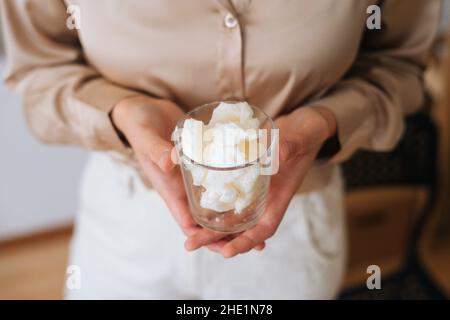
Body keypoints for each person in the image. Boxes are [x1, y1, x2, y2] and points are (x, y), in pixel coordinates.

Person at [0, 0, 440, 299]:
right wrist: (123, 112)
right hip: (124, 223)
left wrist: (325, 122)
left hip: (291, 225)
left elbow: (400, 67)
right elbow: (39, 70)